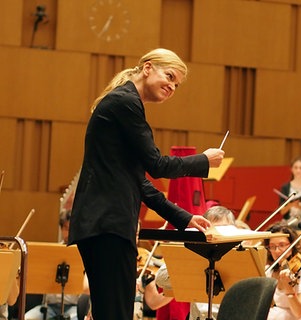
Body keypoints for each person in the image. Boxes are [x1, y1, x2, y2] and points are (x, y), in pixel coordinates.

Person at [68, 48, 222, 320]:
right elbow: (157, 165)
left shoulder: (125, 104)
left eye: (177, 85)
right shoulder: (125, 103)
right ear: (148, 68)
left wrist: (184, 217)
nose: (172, 86)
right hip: (108, 225)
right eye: (170, 76)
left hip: (107, 226)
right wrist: (203, 161)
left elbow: (139, 181)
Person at [26, 210, 79, 320]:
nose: (68, 233)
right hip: (49, 306)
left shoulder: (81, 253)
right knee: (28, 318)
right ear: (61, 229)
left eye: (72, 229)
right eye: (66, 229)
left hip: (73, 307)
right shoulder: (51, 252)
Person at [264, 222, 301, 320]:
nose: (277, 251)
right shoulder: (269, 271)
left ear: (292, 246)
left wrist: (289, 290)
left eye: (282, 245)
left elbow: (299, 313)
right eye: (272, 246)